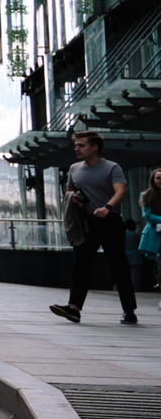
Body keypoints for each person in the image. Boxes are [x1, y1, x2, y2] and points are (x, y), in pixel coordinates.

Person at [52, 128, 136, 325]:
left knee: (118, 265)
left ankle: (129, 310)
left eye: (81, 145)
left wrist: (107, 207)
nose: (77, 149)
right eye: (76, 145)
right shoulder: (74, 169)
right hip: (86, 222)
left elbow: (121, 192)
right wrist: (75, 199)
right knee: (81, 264)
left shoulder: (112, 168)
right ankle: (73, 309)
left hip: (110, 221)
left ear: (95, 147)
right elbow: (71, 191)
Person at [135, 167, 161, 303]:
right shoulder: (146, 195)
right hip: (154, 235)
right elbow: (148, 216)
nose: (160, 181)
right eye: (158, 178)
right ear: (153, 180)